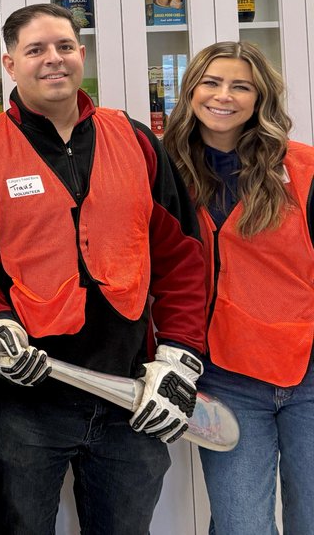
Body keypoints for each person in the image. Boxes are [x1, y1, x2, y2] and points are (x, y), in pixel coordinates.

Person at [0, 3, 207, 535]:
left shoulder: (134, 139)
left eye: (64, 47)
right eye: (35, 49)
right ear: (10, 64)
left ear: (81, 54)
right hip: (27, 402)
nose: (52, 60)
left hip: (132, 396)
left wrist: (180, 359)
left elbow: (182, 261)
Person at [162, 41, 314, 535]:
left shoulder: (303, 168)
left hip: (307, 372)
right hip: (224, 378)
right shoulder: (163, 171)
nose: (223, 96)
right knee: (241, 525)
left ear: (259, 99)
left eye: (240, 86)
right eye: (211, 82)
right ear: (190, 92)